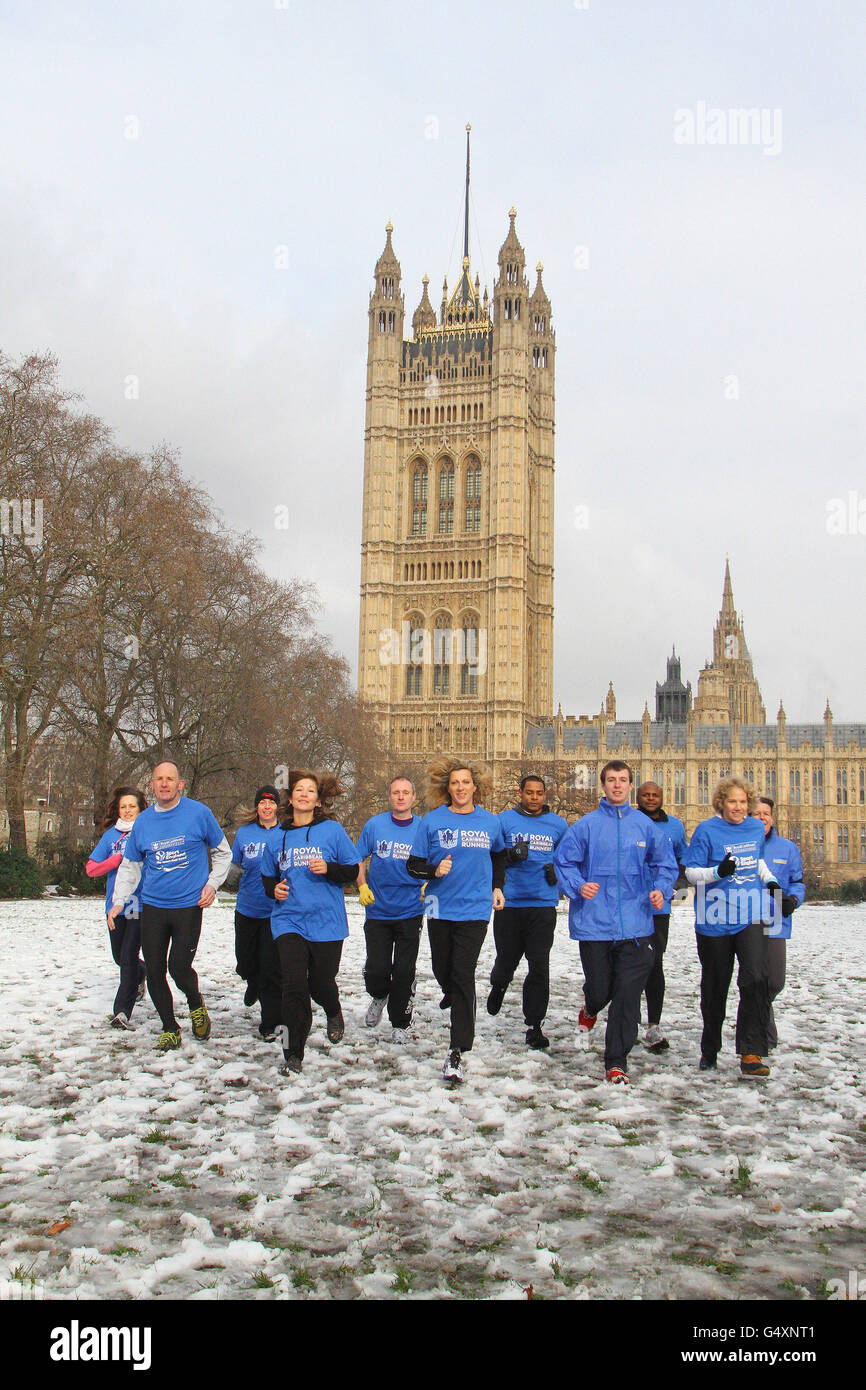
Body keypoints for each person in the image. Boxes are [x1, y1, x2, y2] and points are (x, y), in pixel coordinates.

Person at [553, 760, 677, 1086]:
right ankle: (591, 1008)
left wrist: (661, 891)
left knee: (626, 995)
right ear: (603, 786)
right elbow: (564, 861)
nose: (618, 785)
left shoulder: (646, 827)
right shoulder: (586, 826)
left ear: (630, 786)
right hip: (595, 922)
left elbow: (666, 864)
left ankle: (616, 1062)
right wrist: (578, 886)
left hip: (637, 925)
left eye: (623, 780)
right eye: (612, 780)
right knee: (600, 989)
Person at [108, 761, 232, 1051]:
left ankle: (195, 1003)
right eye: (158, 779)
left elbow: (223, 853)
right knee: (154, 969)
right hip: (153, 906)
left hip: (188, 905)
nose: (164, 784)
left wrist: (212, 885)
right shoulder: (144, 821)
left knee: (178, 966)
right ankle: (170, 1028)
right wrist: (118, 903)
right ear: (151, 785)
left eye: (170, 779)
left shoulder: (199, 814)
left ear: (180, 784)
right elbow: (130, 866)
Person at [407, 757, 506, 1085]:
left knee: (463, 974)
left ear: (475, 787)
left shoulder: (491, 822)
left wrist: (497, 887)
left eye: (466, 783)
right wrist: (434, 871)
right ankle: (452, 991)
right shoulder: (431, 822)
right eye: (455, 783)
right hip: (439, 906)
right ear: (447, 788)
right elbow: (413, 865)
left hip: (475, 909)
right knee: (442, 969)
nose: (461, 788)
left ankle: (457, 1048)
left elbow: (498, 856)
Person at [683, 776, 785, 1078]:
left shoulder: (755, 827)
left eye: (743, 802)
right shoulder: (706, 831)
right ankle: (710, 1048)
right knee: (715, 987)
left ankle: (751, 1051)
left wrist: (772, 882)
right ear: (721, 803)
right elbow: (690, 874)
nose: (738, 807)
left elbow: (758, 862)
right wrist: (717, 872)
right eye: (732, 802)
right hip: (714, 919)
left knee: (756, 978)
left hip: (751, 914)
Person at [261, 770, 358, 1075]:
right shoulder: (277, 836)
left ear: (317, 801)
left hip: (326, 921)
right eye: (298, 790)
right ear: (290, 799)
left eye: (310, 791)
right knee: (293, 986)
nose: (304, 794)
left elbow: (353, 871)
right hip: (288, 919)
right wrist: (273, 889)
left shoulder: (331, 831)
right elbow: (267, 875)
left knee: (320, 983)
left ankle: (333, 1008)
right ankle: (293, 1053)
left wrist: (329, 868)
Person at [487, 774, 568, 1050]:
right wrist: (511, 856)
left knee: (539, 966)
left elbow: (569, 857)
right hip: (510, 904)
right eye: (529, 792)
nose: (534, 797)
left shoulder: (558, 825)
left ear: (545, 795)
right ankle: (498, 985)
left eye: (539, 793)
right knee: (506, 961)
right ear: (520, 792)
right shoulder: (504, 821)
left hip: (543, 905)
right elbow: (493, 857)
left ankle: (534, 1025)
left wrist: (558, 871)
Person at [355, 775, 426, 1045]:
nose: (400, 796)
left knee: (404, 971)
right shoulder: (375, 825)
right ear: (390, 796)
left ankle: (400, 1024)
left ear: (413, 798)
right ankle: (378, 994)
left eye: (405, 792)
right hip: (378, 910)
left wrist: (427, 883)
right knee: (377, 969)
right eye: (395, 792)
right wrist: (362, 885)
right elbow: (357, 858)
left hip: (410, 910)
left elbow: (438, 862)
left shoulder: (423, 828)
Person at [86, 785, 149, 1030]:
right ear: (117, 810)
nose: (128, 810)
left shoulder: (147, 833)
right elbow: (91, 869)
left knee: (128, 957)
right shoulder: (111, 836)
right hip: (114, 904)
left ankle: (122, 1012)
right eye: (123, 806)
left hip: (137, 902)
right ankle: (140, 974)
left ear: (141, 808)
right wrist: (114, 860)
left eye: (132, 806)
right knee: (119, 957)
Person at [223, 785, 283, 1042]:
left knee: (271, 968)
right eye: (262, 803)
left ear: (277, 807)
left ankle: (270, 1023)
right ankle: (252, 981)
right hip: (247, 909)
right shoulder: (245, 834)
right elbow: (234, 866)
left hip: (275, 912)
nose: (266, 807)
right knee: (245, 962)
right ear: (256, 806)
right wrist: (225, 881)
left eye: (271, 803)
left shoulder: (286, 833)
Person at [635, 781, 688, 1054]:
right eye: (646, 795)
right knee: (628, 964)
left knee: (655, 964)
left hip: (659, 908)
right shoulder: (627, 821)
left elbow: (683, 860)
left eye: (656, 794)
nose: (651, 799)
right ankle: (629, 1018)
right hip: (629, 905)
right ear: (638, 797)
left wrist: (676, 886)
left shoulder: (675, 827)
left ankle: (653, 1024)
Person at [755, 796, 805, 1050]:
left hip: (775, 919)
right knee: (753, 979)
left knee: (774, 981)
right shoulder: (741, 845)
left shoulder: (787, 848)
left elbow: (797, 882)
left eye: (766, 813)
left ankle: (758, 1022)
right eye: (757, 813)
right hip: (746, 918)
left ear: (772, 817)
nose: (762, 817)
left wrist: (794, 899)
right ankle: (763, 1038)